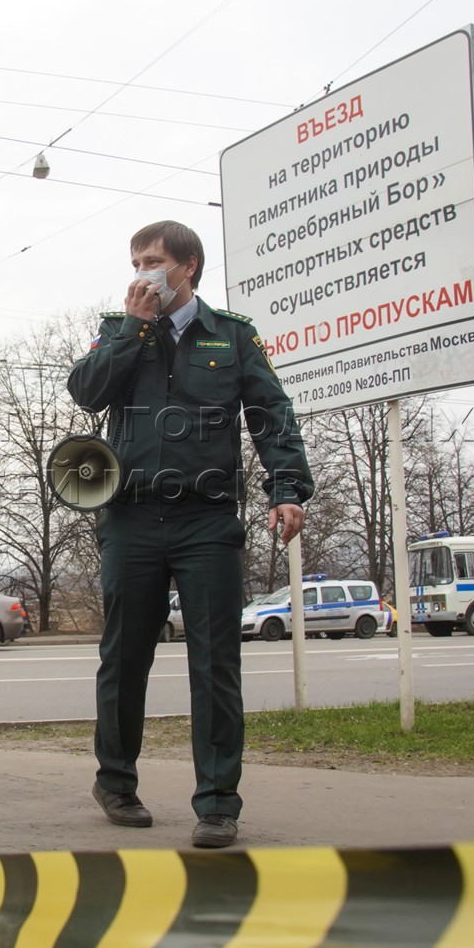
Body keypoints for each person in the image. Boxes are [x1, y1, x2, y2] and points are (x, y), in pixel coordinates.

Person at [67, 220, 314, 849]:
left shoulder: (232, 336)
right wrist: (132, 330)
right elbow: (86, 390)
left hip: (206, 519)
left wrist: (287, 489)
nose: (142, 271)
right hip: (130, 517)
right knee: (124, 657)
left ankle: (217, 803)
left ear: (189, 267)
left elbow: (271, 413)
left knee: (215, 662)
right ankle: (116, 782)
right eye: (135, 260)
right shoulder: (119, 330)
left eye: (154, 260)